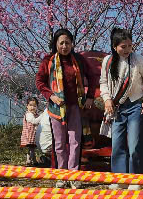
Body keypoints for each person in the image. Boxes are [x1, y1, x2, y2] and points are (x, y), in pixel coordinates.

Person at [35, 28, 97, 187]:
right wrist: (51, 96)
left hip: (76, 106)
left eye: (67, 43)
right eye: (61, 43)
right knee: (59, 143)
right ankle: (61, 175)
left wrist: (90, 96)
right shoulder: (48, 61)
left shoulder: (79, 60)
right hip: (56, 108)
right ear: (55, 44)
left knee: (75, 141)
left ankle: (73, 175)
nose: (64, 46)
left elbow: (92, 77)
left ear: (72, 44)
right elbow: (40, 82)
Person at [99, 27, 143, 182]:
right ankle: (119, 179)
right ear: (114, 46)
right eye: (123, 47)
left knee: (134, 144)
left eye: (130, 46)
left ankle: (135, 179)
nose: (127, 50)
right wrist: (107, 99)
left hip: (136, 105)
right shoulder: (108, 61)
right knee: (117, 143)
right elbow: (103, 82)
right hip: (116, 107)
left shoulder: (139, 59)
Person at [20, 98, 43, 166]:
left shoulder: (34, 114)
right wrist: (42, 116)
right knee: (31, 148)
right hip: (29, 135)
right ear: (27, 106)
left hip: (33, 134)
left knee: (32, 148)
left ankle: (33, 160)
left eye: (34, 106)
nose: (32, 107)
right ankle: (29, 160)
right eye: (30, 105)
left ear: (37, 107)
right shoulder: (29, 114)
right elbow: (34, 121)